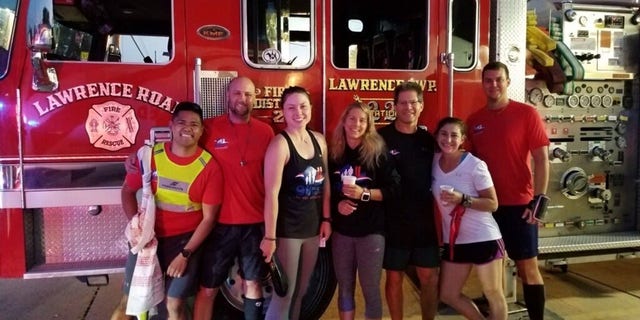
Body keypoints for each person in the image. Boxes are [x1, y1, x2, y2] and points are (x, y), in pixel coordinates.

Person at [111, 101, 223, 320]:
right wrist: (137, 227)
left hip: (184, 244)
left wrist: (185, 255)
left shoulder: (209, 168)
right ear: (171, 126)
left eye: (194, 124)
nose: (187, 128)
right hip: (147, 241)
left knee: (175, 306)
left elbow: (209, 219)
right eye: (181, 122)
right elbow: (127, 192)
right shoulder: (149, 157)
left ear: (201, 131)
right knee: (127, 305)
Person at [467, 61, 550, 320]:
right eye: (488, 80)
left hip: (520, 205)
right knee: (493, 269)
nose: (493, 85)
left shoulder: (527, 114)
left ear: (508, 82)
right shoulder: (475, 121)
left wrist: (539, 200)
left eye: (498, 80)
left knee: (528, 269)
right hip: (489, 207)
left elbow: (542, 159)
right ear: (483, 84)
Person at [194, 76, 275, 320]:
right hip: (220, 224)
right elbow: (181, 148)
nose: (243, 99)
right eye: (238, 93)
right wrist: (140, 158)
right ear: (227, 96)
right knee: (207, 289)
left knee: (253, 286)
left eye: (249, 94)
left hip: (254, 224)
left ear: (255, 98)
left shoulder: (266, 131)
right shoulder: (208, 129)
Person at [261, 86, 332, 320]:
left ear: (311, 108)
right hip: (287, 232)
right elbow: (271, 194)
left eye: (303, 106)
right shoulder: (280, 145)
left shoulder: (319, 140)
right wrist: (270, 238)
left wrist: (326, 219)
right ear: (283, 112)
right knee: (284, 295)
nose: (298, 112)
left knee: (301, 293)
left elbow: (326, 183)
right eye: (291, 107)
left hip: (312, 230)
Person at [328, 102, 400, 320]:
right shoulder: (335, 153)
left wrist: (364, 194)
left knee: (370, 290)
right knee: (345, 288)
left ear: (369, 125)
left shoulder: (378, 152)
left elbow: (395, 189)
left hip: (371, 232)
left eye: (362, 120)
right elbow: (326, 191)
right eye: (352, 119)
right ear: (344, 121)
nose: (356, 124)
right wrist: (337, 206)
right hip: (342, 233)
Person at [432, 117, 507, 320]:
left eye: (454, 135)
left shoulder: (474, 165)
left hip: (484, 238)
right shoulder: (433, 163)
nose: (448, 140)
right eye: (444, 134)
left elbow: (492, 203)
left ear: (463, 139)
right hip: (455, 242)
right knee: (448, 294)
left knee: (493, 294)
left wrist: (462, 199)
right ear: (437, 136)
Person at [378, 81, 439, 320]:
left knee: (430, 278)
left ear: (421, 105)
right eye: (402, 103)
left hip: (424, 222)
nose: (408, 107)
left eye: (413, 102)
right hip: (394, 222)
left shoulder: (428, 140)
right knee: (394, 278)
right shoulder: (381, 138)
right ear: (394, 107)